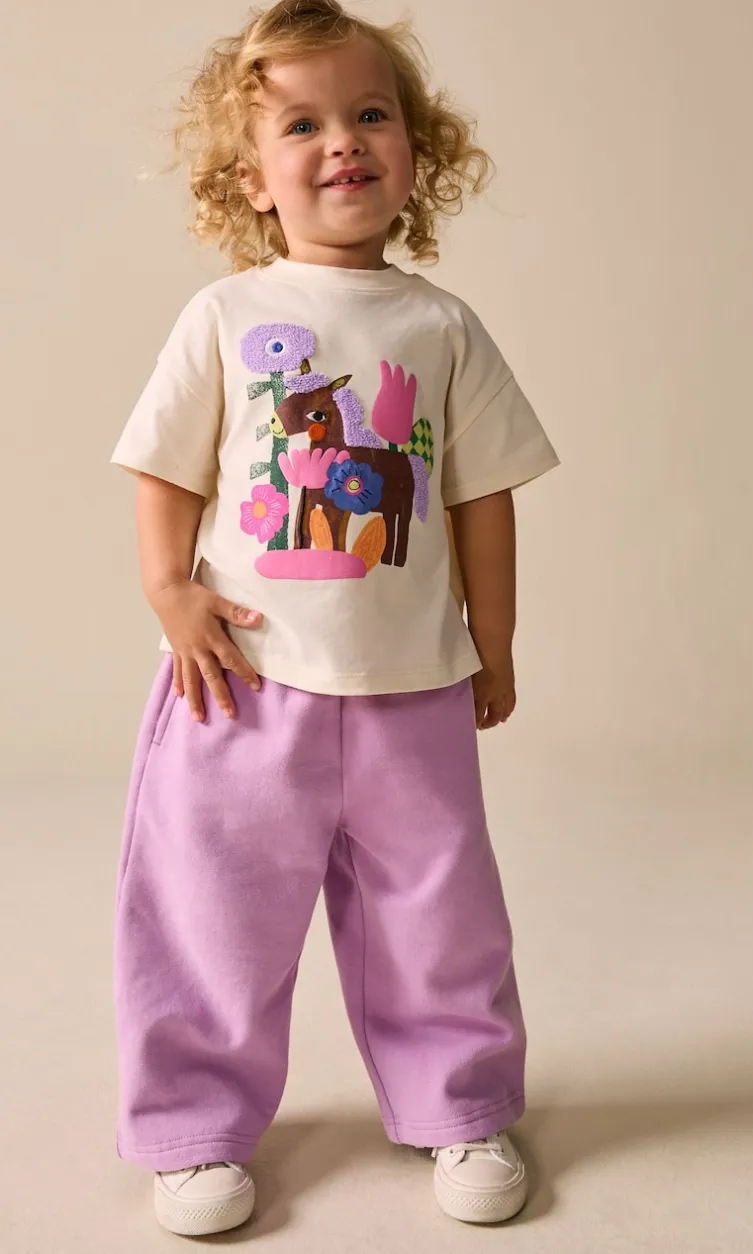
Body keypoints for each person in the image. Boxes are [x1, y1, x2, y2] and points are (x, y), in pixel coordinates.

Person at [111, 0, 559, 1236]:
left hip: (412, 687)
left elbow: (479, 499)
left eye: (370, 114)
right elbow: (165, 469)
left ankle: (458, 1103)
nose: (342, 141)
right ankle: (193, 1127)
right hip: (241, 685)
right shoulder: (224, 318)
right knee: (209, 910)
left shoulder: (441, 327)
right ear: (252, 179)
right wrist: (170, 592)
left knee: (440, 913)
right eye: (301, 125)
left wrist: (493, 643)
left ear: (418, 152)